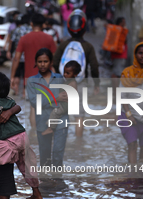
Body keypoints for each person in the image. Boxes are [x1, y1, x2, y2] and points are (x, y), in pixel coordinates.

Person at [53, 9, 99, 137]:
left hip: (63, 83)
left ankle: (62, 140)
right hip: (81, 84)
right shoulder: (88, 46)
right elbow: (94, 66)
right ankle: (79, 144)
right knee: (79, 115)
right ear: (84, 29)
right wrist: (96, 83)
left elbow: (55, 62)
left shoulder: (63, 45)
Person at [11, 13, 56, 129]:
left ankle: (35, 135)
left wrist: (12, 76)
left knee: (33, 109)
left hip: (30, 80)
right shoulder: (49, 38)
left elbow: (16, 58)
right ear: (43, 24)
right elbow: (54, 60)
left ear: (31, 24)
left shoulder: (24, 39)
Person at [27, 48, 68, 167]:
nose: (42, 64)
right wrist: (56, 97)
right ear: (36, 62)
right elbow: (35, 102)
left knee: (58, 153)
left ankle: (57, 181)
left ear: (51, 62)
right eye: (40, 62)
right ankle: (46, 183)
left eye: (45, 61)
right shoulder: (31, 81)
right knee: (44, 156)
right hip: (42, 122)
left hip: (61, 120)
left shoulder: (59, 78)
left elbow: (65, 98)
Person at [42, 60, 81, 135]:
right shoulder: (68, 81)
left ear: (75, 74)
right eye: (64, 72)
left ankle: (50, 128)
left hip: (65, 105)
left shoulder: (72, 83)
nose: (64, 74)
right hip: (64, 103)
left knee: (55, 113)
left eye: (67, 73)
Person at [7, 14, 32, 96]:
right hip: (28, 56)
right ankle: (24, 92)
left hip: (17, 55)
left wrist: (9, 52)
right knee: (26, 75)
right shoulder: (31, 30)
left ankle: (16, 90)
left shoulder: (16, 30)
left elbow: (12, 42)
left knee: (17, 75)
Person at [111, 17, 128, 99]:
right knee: (117, 74)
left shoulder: (114, 30)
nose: (124, 23)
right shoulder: (121, 31)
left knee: (117, 73)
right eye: (123, 22)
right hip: (120, 54)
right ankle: (116, 92)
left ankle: (116, 92)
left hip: (116, 54)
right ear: (120, 23)